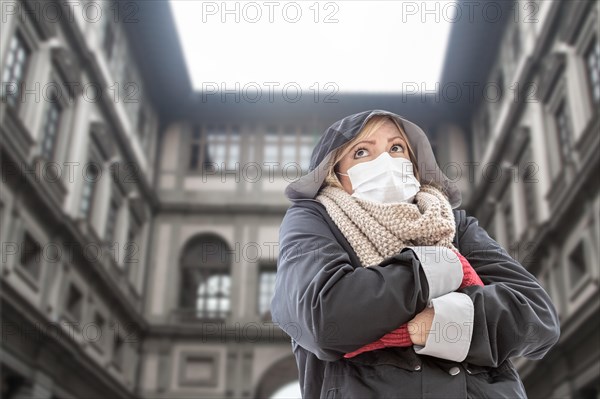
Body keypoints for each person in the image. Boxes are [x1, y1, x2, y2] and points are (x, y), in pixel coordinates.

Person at [270, 109, 561, 398]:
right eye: (361, 153)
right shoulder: (314, 220)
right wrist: (445, 264)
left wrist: (431, 327)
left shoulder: (453, 224)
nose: (385, 161)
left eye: (396, 147)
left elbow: (537, 318)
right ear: (334, 173)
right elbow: (324, 319)